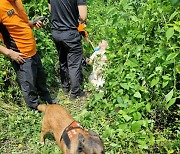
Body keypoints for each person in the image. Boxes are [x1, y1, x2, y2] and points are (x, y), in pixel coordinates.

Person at [0, 0, 54, 110]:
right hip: (20, 55)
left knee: (40, 80)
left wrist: (33, 23)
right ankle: (35, 109)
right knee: (29, 85)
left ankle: (47, 100)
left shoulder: (17, 1)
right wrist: (9, 53)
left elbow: (21, 22)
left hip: (32, 50)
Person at [48, 0, 87, 100]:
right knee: (74, 64)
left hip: (56, 32)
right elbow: (83, 16)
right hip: (70, 33)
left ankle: (65, 88)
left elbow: (50, 9)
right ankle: (75, 93)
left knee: (63, 60)